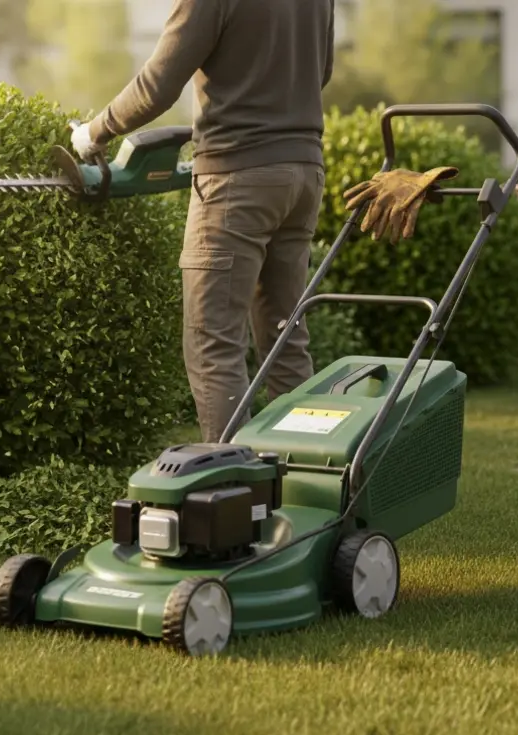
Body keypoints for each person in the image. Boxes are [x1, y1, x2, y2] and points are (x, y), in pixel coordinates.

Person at [72, 0, 338, 444]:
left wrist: (94, 132)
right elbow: (320, 70)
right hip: (303, 171)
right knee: (285, 338)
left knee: (213, 344)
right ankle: (302, 477)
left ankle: (231, 492)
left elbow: (158, 84)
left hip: (237, 179)